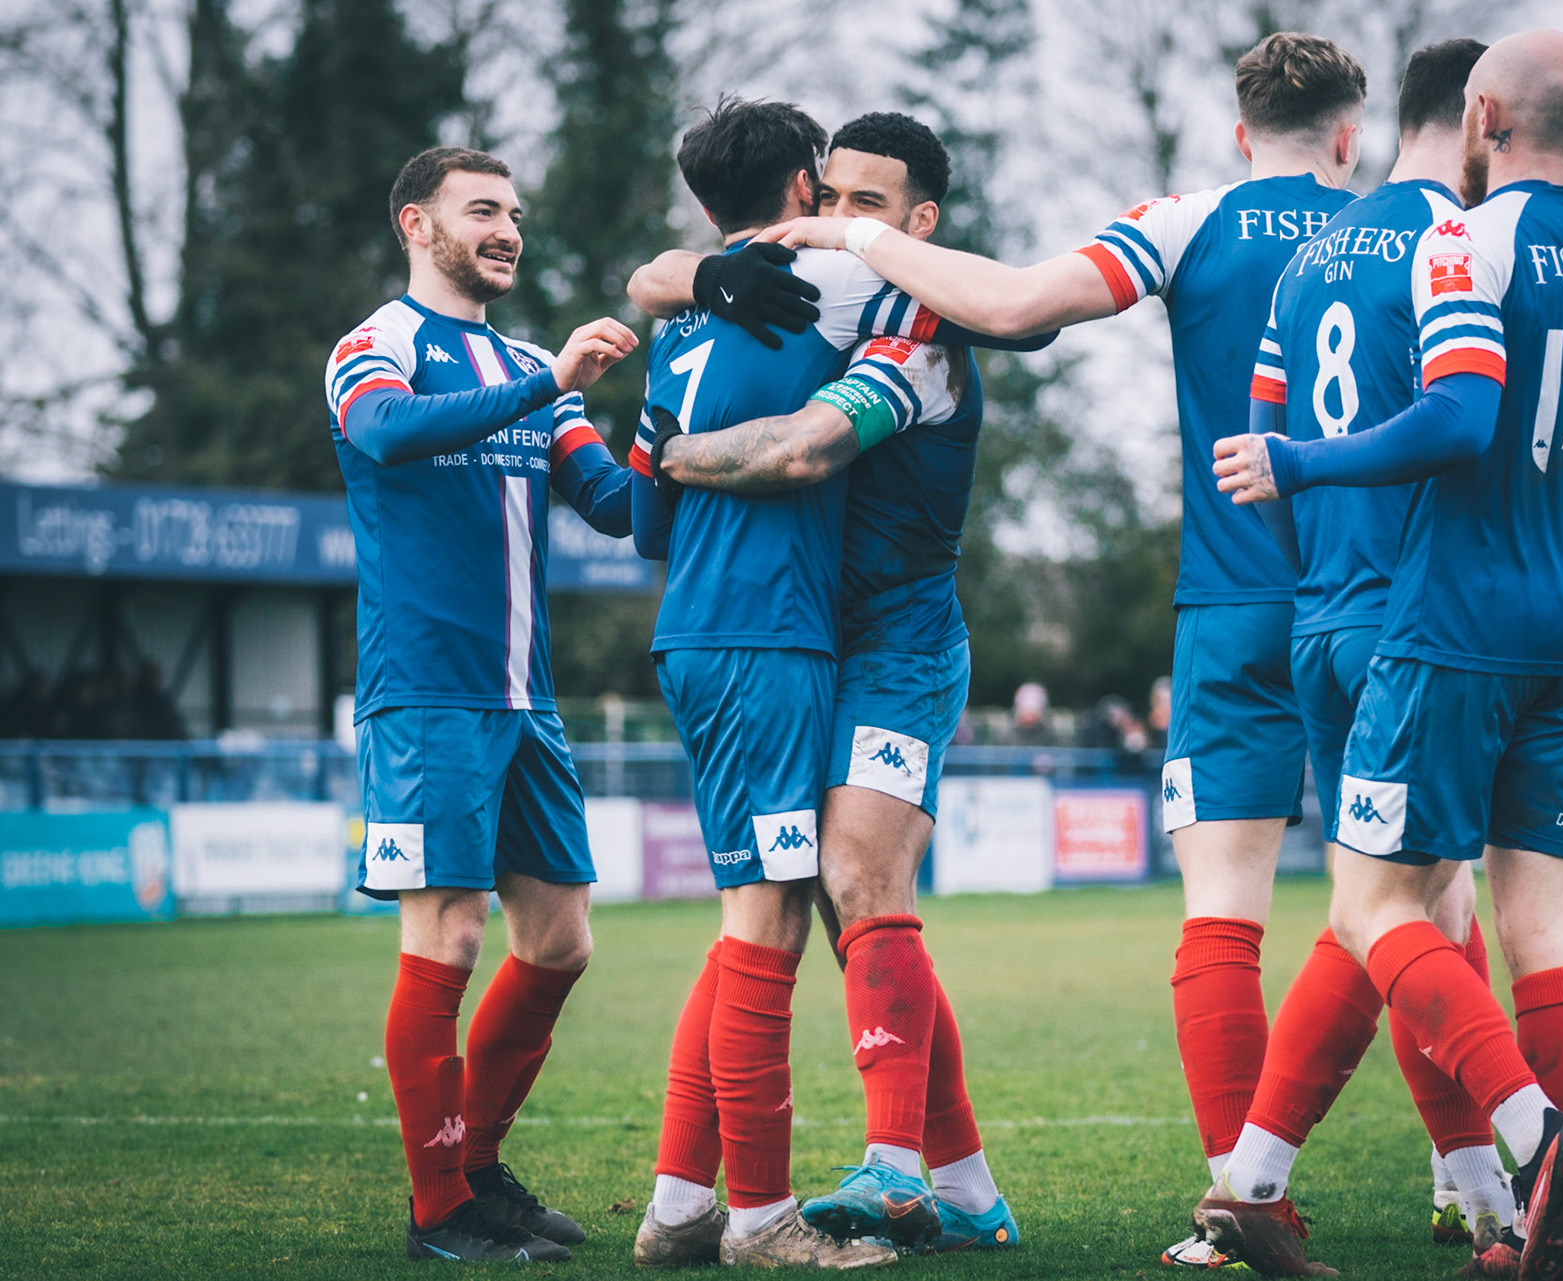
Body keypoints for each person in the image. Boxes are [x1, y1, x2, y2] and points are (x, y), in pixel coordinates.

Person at [757, 33, 1367, 1269]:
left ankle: (1239, 1197)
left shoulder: (1191, 220)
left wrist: (846, 239)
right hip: (1391, 605)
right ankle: (1477, 1178)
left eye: (860, 207)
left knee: (1223, 916)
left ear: (1241, 131)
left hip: (1232, 605)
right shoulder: (1419, 233)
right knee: (1413, 909)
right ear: (1351, 135)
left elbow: (1021, 308)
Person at [1212, 29, 1563, 1281]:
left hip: (1453, 622)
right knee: (1541, 919)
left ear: (1483, 116)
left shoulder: (1459, 242)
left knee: (1376, 904)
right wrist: (1562, 474)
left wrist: (1307, 461)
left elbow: (1459, 414)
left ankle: (1530, 1142)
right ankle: (1509, 1229)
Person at [622, 97, 1042, 1271]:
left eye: (871, 205)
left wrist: (665, 452)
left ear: (916, 219)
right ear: (803, 193)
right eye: (834, 196)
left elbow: (809, 442)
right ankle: (961, 1190)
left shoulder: (917, 313)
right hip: (798, 637)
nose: (842, 222)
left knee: (852, 877)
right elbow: (658, 271)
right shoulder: (795, 283)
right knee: (831, 906)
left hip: (899, 644)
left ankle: (893, 1170)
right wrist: (699, 276)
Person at [1192, 39, 1529, 1279]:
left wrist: (1324, 541)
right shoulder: (1450, 239)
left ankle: (1469, 1196)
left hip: (1320, 613)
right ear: (1479, 122)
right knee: (1402, 912)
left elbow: (1262, 446)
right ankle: (1526, 1147)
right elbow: (1462, 422)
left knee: (1392, 906)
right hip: (1411, 620)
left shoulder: (1302, 266)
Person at [325, 145, 639, 1263]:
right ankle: (438, 1209)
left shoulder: (518, 361)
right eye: (483, 211)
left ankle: (478, 1167)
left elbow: (612, 504)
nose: (507, 229)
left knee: (558, 943)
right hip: (426, 693)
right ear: (418, 223)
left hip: (526, 702)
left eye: (514, 213)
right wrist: (550, 381)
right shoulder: (378, 347)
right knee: (450, 933)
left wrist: (692, 415)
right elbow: (387, 434)